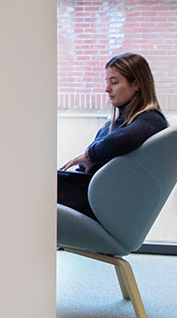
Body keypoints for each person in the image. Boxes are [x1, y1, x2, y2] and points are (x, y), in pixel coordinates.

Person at [58, 52, 168, 220]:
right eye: (107, 82)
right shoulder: (123, 121)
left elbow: (124, 139)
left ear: (136, 84)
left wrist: (90, 155)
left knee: (33, 188)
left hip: (96, 199)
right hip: (88, 190)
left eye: (114, 82)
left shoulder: (151, 119)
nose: (107, 89)